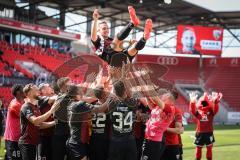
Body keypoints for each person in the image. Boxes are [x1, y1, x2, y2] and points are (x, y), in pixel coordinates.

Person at [18, 84, 57, 160]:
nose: (38, 91)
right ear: (29, 93)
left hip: (35, 142)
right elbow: (35, 121)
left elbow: (40, 125)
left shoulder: (36, 107)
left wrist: (54, 122)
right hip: (26, 143)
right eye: (36, 90)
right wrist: (51, 111)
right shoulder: (26, 106)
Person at [189, 92, 222, 160]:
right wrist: (192, 102)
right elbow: (192, 111)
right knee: (201, 149)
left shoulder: (210, 111)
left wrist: (216, 102)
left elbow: (192, 110)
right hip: (203, 132)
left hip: (204, 132)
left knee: (205, 149)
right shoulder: (203, 112)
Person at [52, 77, 71, 160]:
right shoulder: (62, 97)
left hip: (65, 133)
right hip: (60, 135)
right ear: (64, 86)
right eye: (69, 83)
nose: (72, 85)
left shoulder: (64, 96)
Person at [161, 91, 184, 160]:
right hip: (159, 144)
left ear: (168, 97)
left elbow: (179, 130)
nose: (162, 95)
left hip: (171, 145)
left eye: (164, 94)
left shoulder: (176, 111)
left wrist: (164, 128)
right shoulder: (159, 108)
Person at [4, 84, 25, 160]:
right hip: (13, 139)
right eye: (23, 89)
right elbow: (28, 119)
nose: (25, 90)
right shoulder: (15, 104)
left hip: (16, 138)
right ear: (18, 92)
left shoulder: (18, 102)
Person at [37, 83, 56, 160]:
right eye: (48, 87)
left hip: (52, 135)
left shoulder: (52, 98)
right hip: (43, 136)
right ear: (43, 90)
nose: (51, 87)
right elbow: (57, 98)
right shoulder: (41, 99)